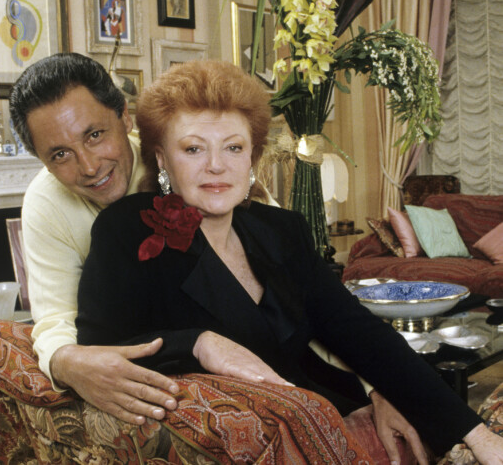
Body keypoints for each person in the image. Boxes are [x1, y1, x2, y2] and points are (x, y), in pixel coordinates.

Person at [76, 59, 503, 463]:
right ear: (162, 160)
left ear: (252, 158)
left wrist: (473, 433)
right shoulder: (127, 229)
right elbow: (100, 351)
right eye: (192, 149)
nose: (216, 167)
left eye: (233, 147)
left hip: (328, 413)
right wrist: (198, 341)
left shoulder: (281, 229)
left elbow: (360, 333)